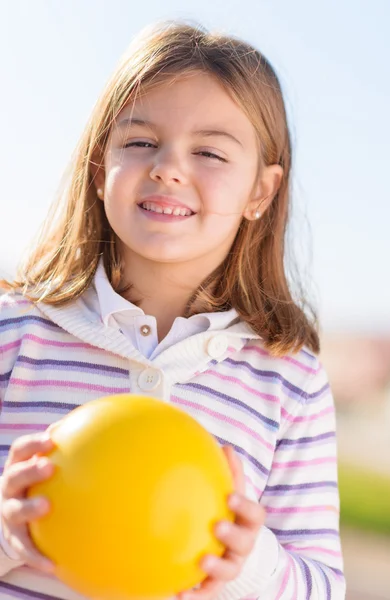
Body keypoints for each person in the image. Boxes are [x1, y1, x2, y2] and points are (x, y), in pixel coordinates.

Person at [0, 21, 346, 600]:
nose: (168, 167)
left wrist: (246, 564)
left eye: (208, 151)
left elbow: (322, 589)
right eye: (139, 142)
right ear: (98, 163)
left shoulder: (291, 380)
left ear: (260, 192)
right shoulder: (15, 330)